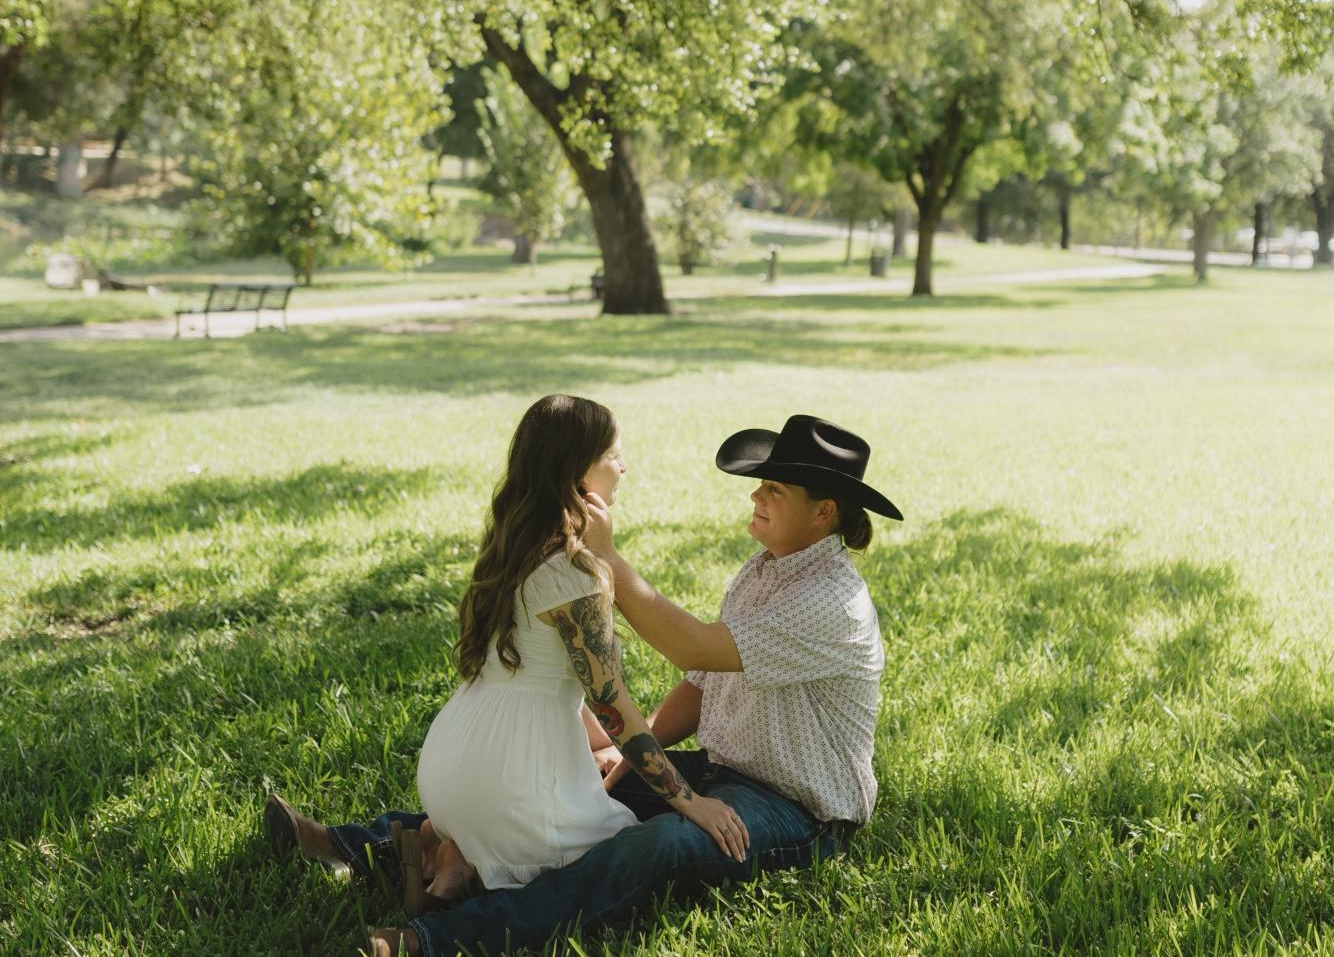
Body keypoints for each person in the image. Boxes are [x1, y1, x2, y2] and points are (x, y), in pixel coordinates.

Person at [347, 412, 902, 957]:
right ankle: (373, 843)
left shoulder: (833, 602)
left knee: (657, 847)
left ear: (823, 511)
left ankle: (438, 938)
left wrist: (609, 557)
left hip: (796, 807)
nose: (755, 495)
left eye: (774, 489)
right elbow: (701, 684)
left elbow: (694, 648)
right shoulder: (763, 570)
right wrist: (630, 751)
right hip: (719, 770)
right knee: (569, 779)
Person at [264, 394, 744, 947]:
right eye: (614, 455)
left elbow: (544, 680)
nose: (624, 466)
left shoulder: (510, 548)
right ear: (578, 474)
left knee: (565, 814)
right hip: (508, 783)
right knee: (621, 855)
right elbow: (612, 704)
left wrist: (593, 746)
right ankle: (447, 889)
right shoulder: (575, 572)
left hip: (448, 763)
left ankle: (448, 857)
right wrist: (691, 801)